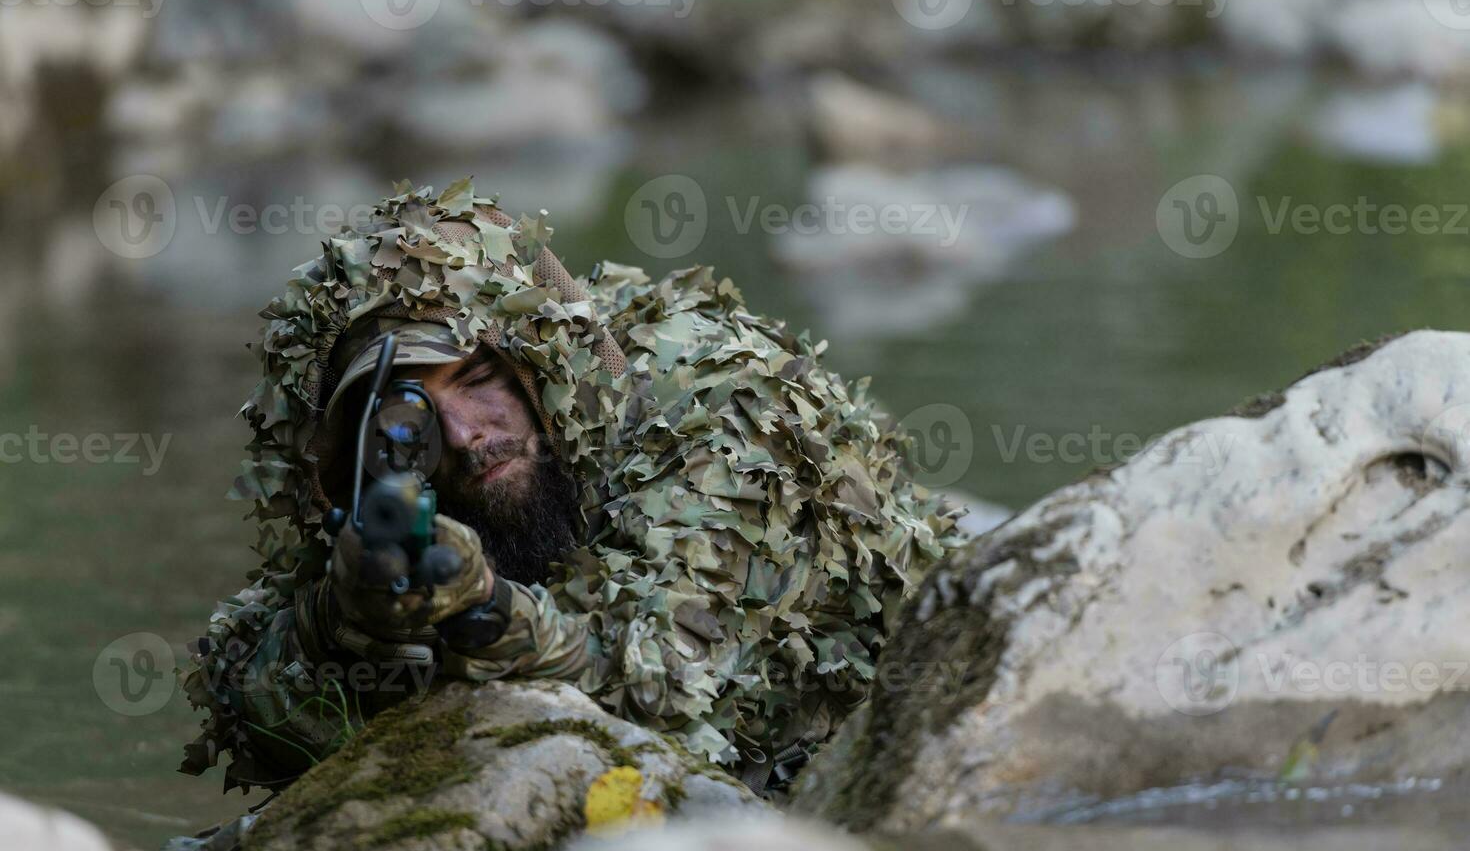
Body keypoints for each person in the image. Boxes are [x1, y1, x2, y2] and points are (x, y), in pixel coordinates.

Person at [179, 179, 960, 798]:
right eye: (410, 416)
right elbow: (250, 713)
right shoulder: (392, 493)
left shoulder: (721, 403)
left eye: (480, 378)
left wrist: (481, 606)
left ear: (541, 362)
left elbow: (654, 694)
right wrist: (350, 615)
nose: (464, 435)